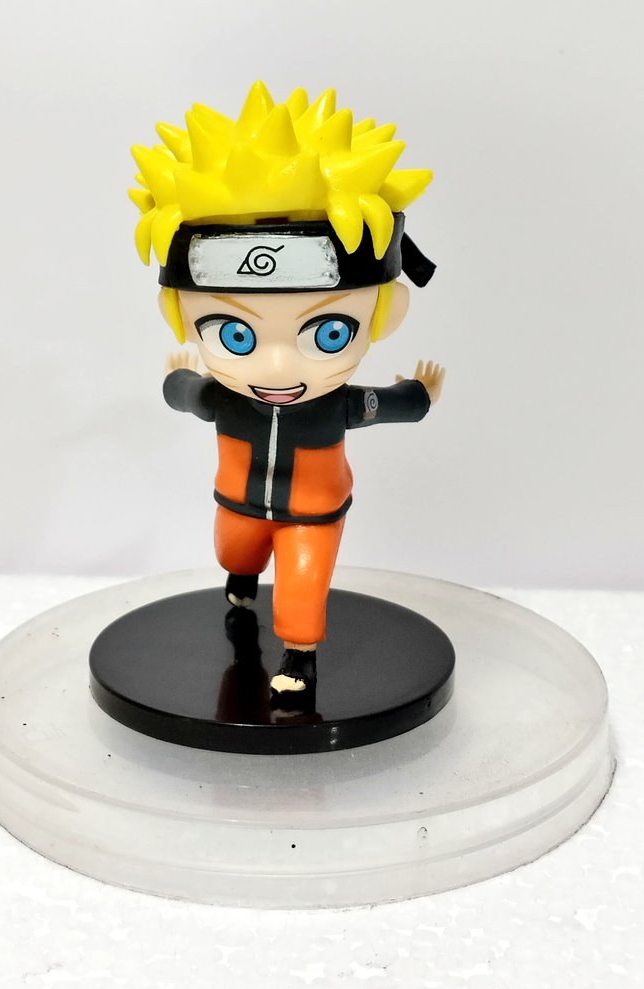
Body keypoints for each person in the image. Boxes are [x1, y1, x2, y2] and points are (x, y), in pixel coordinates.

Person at [131, 82, 444, 695]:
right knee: (234, 554)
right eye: (234, 334)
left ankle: (299, 656)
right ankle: (242, 581)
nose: (276, 368)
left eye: (329, 332)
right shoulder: (221, 396)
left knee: (303, 579)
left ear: (387, 314)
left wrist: (419, 394)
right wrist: (176, 377)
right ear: (181, 317)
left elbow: (389, 407)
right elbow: (186, 394)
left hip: (313, 511)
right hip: (237, 503)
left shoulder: (340, 404)